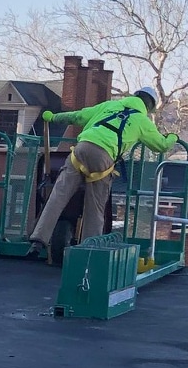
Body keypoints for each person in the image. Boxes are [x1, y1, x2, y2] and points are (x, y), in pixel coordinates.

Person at [27, 86, 178, 258]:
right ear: (149, 107)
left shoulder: (109, 105)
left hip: (81, 149)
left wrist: (53, 117)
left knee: (58, 196)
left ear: (135, 96)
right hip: (103, 159)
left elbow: (77, 116)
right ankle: (88, 253)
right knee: (95, 209)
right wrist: (172, 137)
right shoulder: (142, 121)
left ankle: (38, 240)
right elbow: (161, 145)